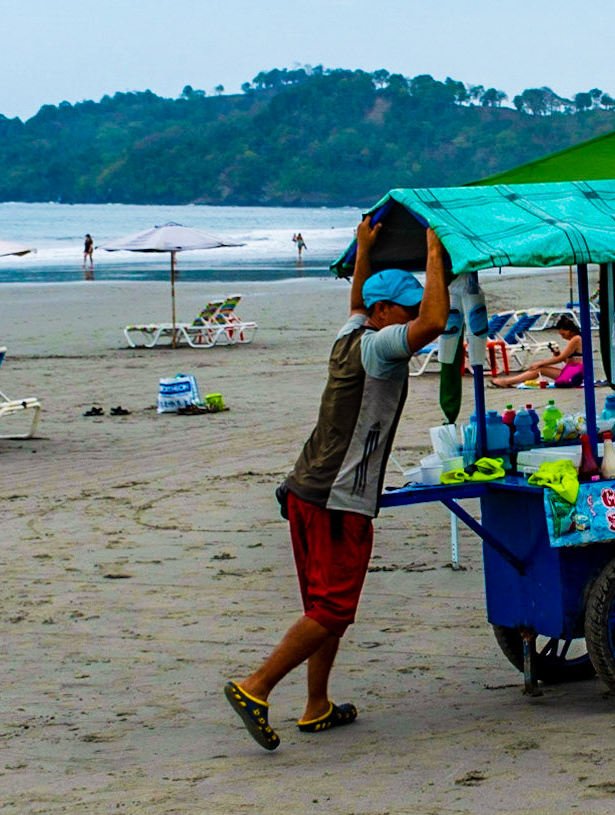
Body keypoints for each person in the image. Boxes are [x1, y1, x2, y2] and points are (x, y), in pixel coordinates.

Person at [224, 217, 450, 751]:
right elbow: (437, 324)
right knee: (331, 608)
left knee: (323, 607)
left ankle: (316, 704)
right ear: (384, 314)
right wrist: (435, 254)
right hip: (337, 500)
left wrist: (366, 249)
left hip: (305, 489)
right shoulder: (377, 346)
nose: (415, 314)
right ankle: (255, 687)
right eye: (406, 308)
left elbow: (356, 299)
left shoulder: (349, 331)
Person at [491, 315, 582, 388]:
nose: (563, 337)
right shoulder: (576, 339)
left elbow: (562, 359)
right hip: (574, 372)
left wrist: (540, 362)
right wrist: (557, 355)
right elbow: (570, 361)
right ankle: (507, 381)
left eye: (563, 334)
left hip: (576, 374)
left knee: (540, 368)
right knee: (541, 367)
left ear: (570, 330)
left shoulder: (576, 339)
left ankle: (507, 382)